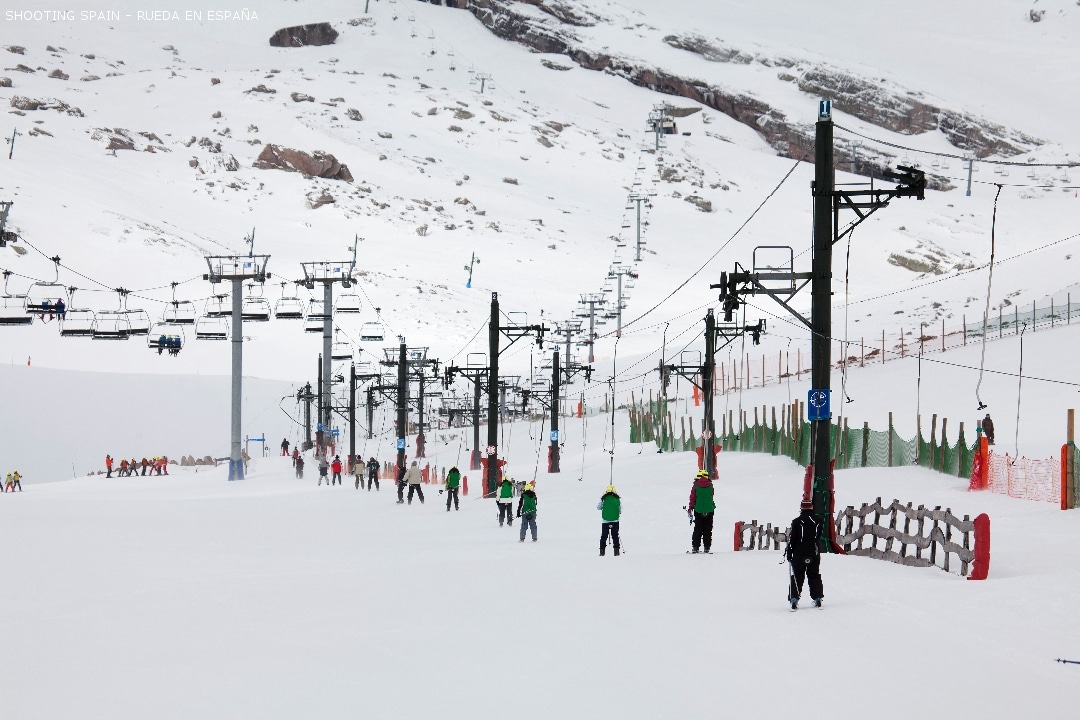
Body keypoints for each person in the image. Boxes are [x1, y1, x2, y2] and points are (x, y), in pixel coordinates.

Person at [786, 498, 824, 610]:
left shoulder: (796, 521)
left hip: (799, 553)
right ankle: (818, 598)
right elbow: (819, 536)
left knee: (797, 575)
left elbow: (793, 539)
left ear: (801, 508)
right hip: (814, 552)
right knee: (814, 574)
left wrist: (789, 552)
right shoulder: (818, 521)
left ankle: (794, 599)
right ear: (811, 507)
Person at [687, 469, 716, 554]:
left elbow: (692, 498)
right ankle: (707, 547)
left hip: (698, 510)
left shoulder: (695, 486)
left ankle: (695, 547)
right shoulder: (711, 486)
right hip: (709, 510)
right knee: (708, 529)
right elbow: (711, 496)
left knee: (698, 529)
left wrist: (690, 508)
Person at [597, 484, 621, 556]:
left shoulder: (604, 499)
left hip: (605, 521)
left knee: (604, 536)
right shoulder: (617, 499)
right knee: (615, 536)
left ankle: (602, 552)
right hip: (615, 521)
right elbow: (620, 511)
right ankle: (616, 552)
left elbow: (598, 507)